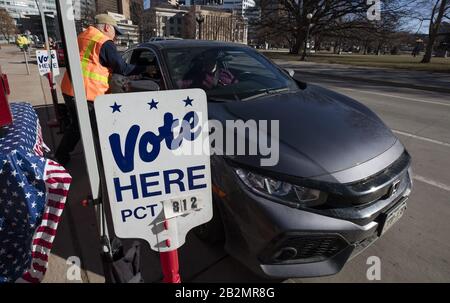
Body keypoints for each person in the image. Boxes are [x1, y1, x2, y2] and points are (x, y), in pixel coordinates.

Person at [56, 14, 153, 165]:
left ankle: (61, 157)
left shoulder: (82, 36)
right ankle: (108, 164)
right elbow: (122, 68)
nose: (115, 37)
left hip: (70, 89)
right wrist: (146, 69)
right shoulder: (104, 42)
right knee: (100, 130)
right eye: (115, 32)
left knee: (76, 126)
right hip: (88, 94)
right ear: (107, 27)